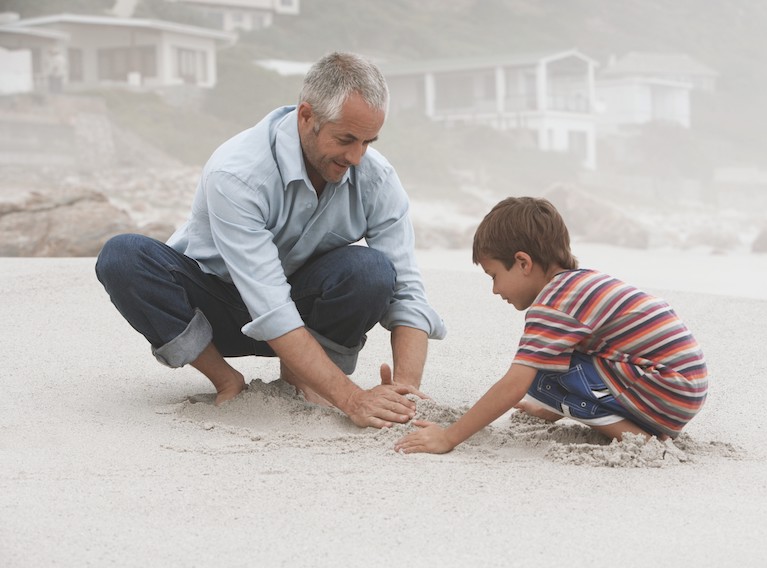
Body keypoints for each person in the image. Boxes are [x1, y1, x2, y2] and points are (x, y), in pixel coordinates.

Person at [96, 51, 446, 428]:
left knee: (371, 271)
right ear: (306, 116)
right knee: (123, 257)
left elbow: (408, 292)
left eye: (368, 142)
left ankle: (302, 382)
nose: (357, 157)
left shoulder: (376, 178)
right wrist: (352, 399)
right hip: (215, 310)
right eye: (346, 139)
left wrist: (406, 390)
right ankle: (226, 379)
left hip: (303, 312)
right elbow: (269, 306)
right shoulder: (238, 172)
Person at [394, 197, 707, 454]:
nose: (495, 290)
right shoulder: (578, 284)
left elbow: (514, 382)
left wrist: (449, 437)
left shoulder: (553, 303)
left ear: (523, 263)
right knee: (545, 364)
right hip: (680, 390)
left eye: (494, 276)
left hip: (666, 388)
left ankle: (637, 438)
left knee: (535, 374)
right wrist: (554, 409)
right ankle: (626, 421)